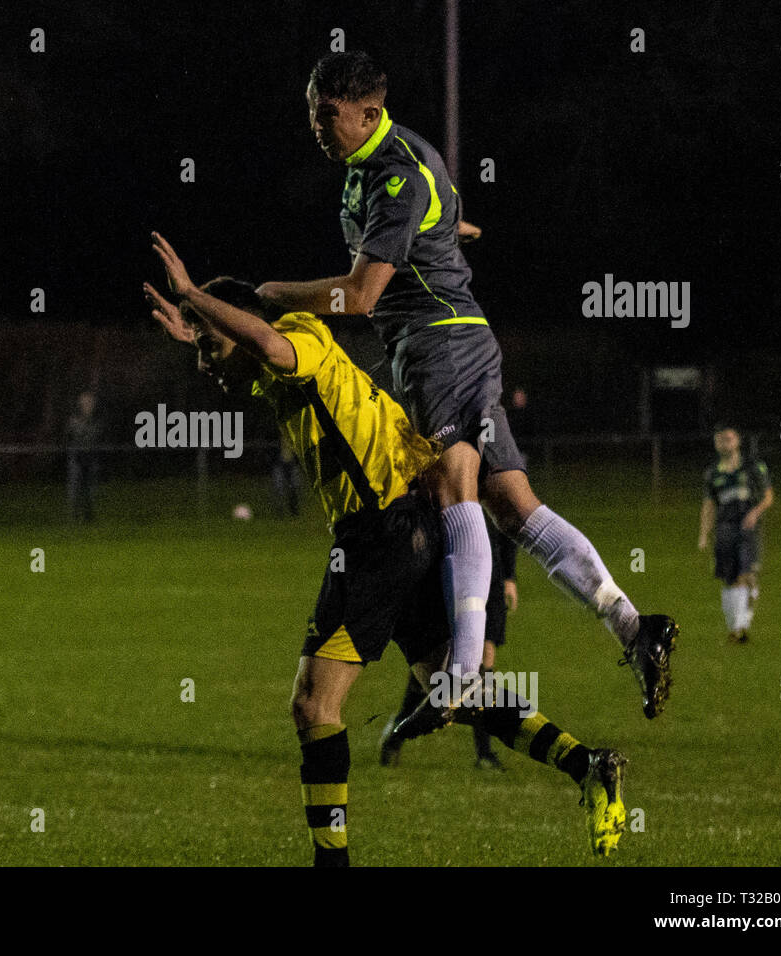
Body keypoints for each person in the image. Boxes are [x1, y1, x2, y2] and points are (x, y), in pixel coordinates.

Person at [144, 232, 628, 864]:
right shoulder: (273, 366)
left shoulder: (299, 337)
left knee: (314, 704)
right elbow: (250, 351)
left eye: (210, 348)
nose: (206, 366)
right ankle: (588, 765)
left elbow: (261, 340)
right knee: (456, 685)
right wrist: (198, 330)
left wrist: (191, 295)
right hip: (411, 526)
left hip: (379, 537)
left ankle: (332, 861)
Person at [252, 50, 675, 727]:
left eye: (327, 116)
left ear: (368, 113)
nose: (316, 126)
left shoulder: (393, 172)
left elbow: (360, 296)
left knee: (456, 490)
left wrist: (274, 295)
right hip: (451, 340)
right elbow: (422, 227)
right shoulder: (377, 168)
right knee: (512, 502)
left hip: (438, 345)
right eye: (312, 113)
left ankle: (459, 678)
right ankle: (632, 627)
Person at [381, 511, 518, 770]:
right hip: (456, 572)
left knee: (483, 664)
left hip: (491, 577)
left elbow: (508, 519)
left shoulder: (488, 475)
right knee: (437, 673)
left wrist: (509, 575)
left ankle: (484, 753)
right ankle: (398, 731)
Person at [699, 426, 773, 643]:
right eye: (721, 439)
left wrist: (755, 512)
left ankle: (738, 628)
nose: (725, 442)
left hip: (748, 530)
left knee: (744, 575)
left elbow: (768, 497)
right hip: (724, 530)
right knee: (729, 579)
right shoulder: (713, 473)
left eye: (729, 438)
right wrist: (703, 534)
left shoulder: (753, 467)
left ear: (738, 441)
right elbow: (709, 505)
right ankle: (736, 625)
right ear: (716, 444)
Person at [65, 391, 101, 522]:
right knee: (75, 488)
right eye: (85, 403)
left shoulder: (96, 421)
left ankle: (88, 515)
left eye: (90, 403)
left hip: (91, 457)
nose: (88, 405)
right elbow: (69, 437)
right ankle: (74, 515)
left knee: (90, 488)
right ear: (80, 404)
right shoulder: (73, 421)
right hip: (76, 457)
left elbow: (97, 437)